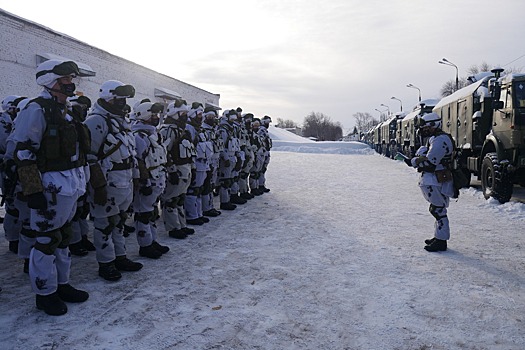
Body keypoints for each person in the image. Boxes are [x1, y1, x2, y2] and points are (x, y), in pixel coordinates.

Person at [10, 59, 89, 315]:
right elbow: (23, 151)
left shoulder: (67, 109)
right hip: (49, 186)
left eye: (70, 79)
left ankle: (62, 284)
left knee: (64, 237)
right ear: (49, 82)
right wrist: (33, 191)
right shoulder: (36, 109)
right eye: (64, 79)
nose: (70, 83)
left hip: (70, 184)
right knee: (46, 239)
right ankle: (45, 293)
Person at [84, 80, 143, 281]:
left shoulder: (120, 122)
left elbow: (131, 154)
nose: (123, 103)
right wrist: (98, 186)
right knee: (104, 224)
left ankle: (120, 256)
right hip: (107, 183)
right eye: (119, 98)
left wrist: (136, 178)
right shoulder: (96, 122)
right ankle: (106, 262)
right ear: (109, 98)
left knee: (119, 222)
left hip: (124, 181)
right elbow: (89, 157)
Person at [404, 112, 454, 252]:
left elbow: (431, 163)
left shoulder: (439, 140)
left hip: (436, 179)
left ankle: (441, 241)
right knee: (436, 209)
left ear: (433, 125)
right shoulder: (435, 139)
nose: (423, 130)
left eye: (425, 127)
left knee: (438, 210)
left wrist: (414, 161)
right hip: (433, 179)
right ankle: (438, 236)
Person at [131, 100, 170, 258]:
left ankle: (152, 240)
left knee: (152, 212)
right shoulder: (138, 136)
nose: (156, 117)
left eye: (157, 114)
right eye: (153, 114)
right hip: (147, 180)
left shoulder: (153, 134)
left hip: (157, 178)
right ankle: (145, 244)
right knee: (143, 214)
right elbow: (138, 161)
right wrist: (143, 181)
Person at [159, 99, 196, 239]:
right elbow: (165, 152)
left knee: (180, 198)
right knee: (171, 199)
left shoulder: (181, 129)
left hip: (185, 168)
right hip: (176, 169)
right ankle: (173, 227)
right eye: (183, 113)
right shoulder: (167, 130)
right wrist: (172, 170)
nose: (185, 116)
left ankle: (181, 224)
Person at [0, 95, 26, 254]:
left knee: (20, 204)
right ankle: (13, 238)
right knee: (12, 205)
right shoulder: (3, 123)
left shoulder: (18, 123)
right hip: (6, 168)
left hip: (17, 167)